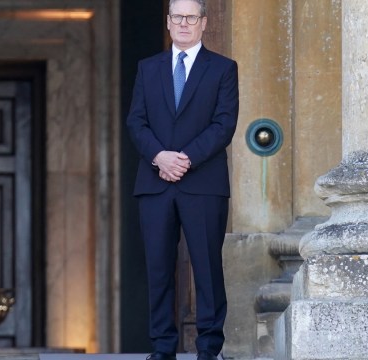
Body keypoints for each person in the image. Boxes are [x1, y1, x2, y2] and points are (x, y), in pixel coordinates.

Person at [126, 0, 239, 359]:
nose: (184, 23)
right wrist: (160, 156)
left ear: (204, 23)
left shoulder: (223, 69)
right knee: (159, 269)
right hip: (155, 183)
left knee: (206, 268)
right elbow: (136, 122)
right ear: (169, 22)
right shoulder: (148, 68)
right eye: (177, 17)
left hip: (203, 183)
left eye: (191, 17)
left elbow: (224, 124)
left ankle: (208, 349)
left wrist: (184, 159)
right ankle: (162, 349)